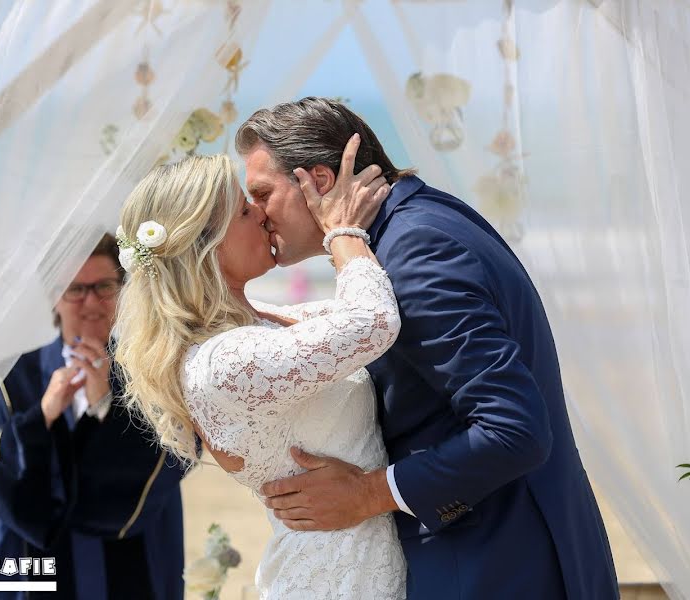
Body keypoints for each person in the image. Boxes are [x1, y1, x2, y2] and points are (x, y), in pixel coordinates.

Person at [240, 97, 620, 599]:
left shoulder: (415, 251)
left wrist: (367, 494)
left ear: (319, 181)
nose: (258, 215)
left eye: (262, 193)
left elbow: (515, 429)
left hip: (497, 565)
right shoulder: (420, 219)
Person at [113, 150, 406, 599]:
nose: (264, 215)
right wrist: (342, 232)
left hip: (356, 562)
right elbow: (374, 322)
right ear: (206, 245)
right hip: (335, 578)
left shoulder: (261, 323)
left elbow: (362, 312)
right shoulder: (224, 363)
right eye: (245, 211)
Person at [0, 234, 185, 600]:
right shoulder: (6, 380)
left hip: (128, 567)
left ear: (123, 290)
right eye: (75, 289)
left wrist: (106, 409)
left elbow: (171, 460)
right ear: (52, 297)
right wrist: (43, 415)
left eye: (104, 286)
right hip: (21, 569)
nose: (91, 301)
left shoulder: (153, 377)